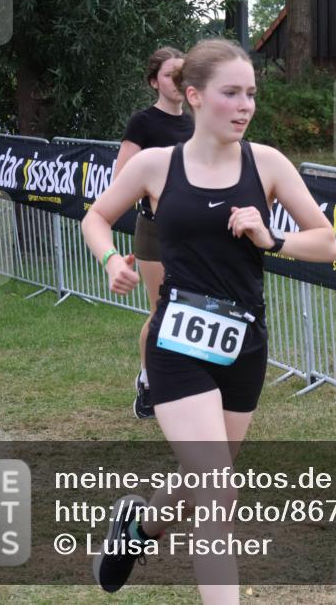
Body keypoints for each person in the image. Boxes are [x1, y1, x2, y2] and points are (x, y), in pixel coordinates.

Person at [81, 38, 336, 602]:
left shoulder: (267, 163)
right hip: (177, 344)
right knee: (217, 490)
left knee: (204, 482)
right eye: (230, 93)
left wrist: (275, 238)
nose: (244, 105)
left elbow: (328, 243)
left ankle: (139, 528)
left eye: (250, 93)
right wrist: (109, 261)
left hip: (244, 345)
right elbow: (97, 217)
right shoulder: (156, 164)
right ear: (194, 96)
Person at [114, 46, 193, 420]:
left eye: (182, 73)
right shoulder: (143, 122)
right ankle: (148, 381)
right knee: (162, 310)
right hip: (156, 230)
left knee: (194, 306)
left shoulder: (198, 122)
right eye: (168, 74)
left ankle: (190, 382)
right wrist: (159, 191)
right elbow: (122, 181)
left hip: (197, 230)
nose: (176, 81)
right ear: (153, 82)